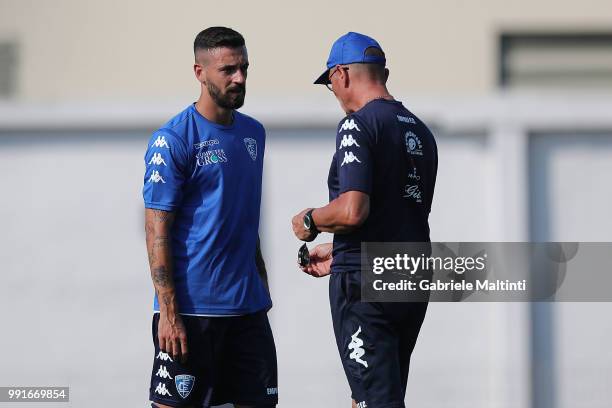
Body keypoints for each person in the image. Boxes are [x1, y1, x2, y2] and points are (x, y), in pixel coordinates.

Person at [291, 32, 438, 408]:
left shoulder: (358, 124)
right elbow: (398, 212)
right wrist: (339, 249)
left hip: (364, 283)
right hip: (411, 274)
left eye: (331, 84)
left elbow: (354, 209)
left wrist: (311, 219)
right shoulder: (418, 128)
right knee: (376, 395)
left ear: (340, 74)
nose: (335, 94)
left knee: (376, 400)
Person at [143, 26, 277, 408]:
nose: (240, 78)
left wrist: (261, 277)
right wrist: (168, 311)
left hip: (248, 309)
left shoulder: (254, 133)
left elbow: (242, 213)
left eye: (244, 68)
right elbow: (156, 230)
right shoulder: (173, 139)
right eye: (228, 70)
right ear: (200, 73)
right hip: (191, 313)